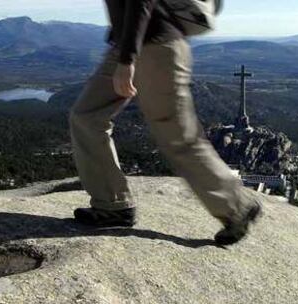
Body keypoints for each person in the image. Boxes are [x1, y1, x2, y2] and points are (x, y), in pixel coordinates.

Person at [69, 0, 261, 245]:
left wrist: (127, 59)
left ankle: (237, 207)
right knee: (86, 116)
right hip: (127, 44)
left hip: (155, 46)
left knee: (177, 136)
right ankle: (113, 205)